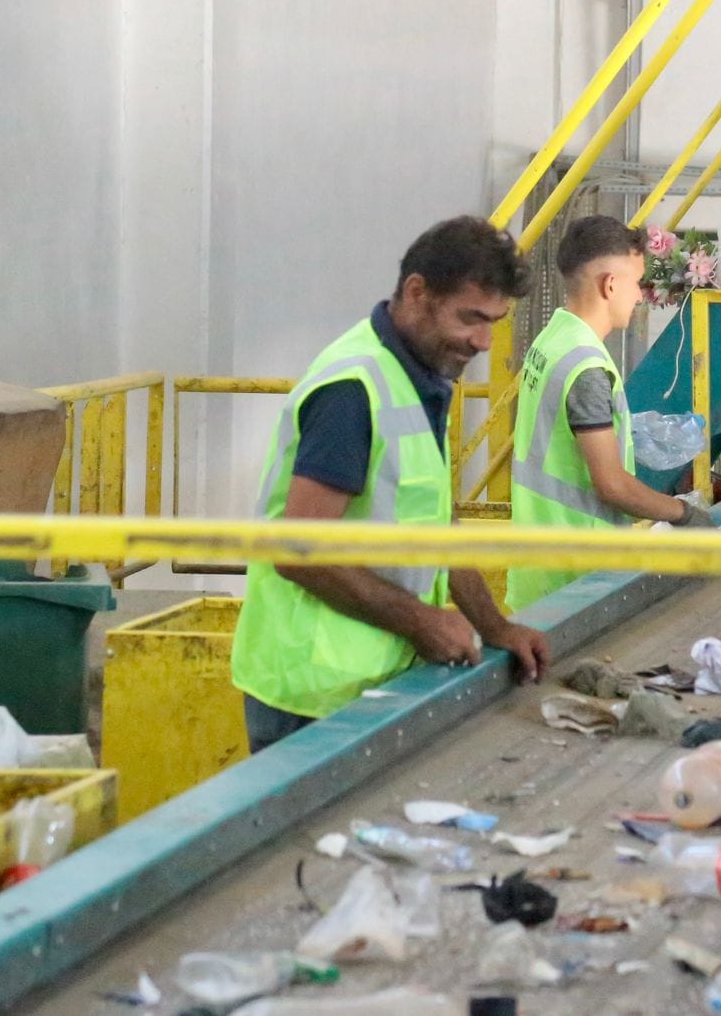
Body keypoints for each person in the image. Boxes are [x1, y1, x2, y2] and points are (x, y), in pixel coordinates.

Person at [231, 217, 552, 753]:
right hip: (314, 696)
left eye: (494, 322)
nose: (482, 341)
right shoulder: (353, 389)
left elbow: (434, 526)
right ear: (416, 292)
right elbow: (296, 550)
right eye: (470, 318)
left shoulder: (418, 376)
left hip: (373, 682)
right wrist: (421, 620)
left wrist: (494, 626)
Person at [507, 216, 710, 609]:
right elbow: (611, 486)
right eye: (636, 282)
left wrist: (624, 433)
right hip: (573, 576)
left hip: (535, 567)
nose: (639, 295)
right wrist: (685, 515)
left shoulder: (553, 339)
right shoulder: (588, 368)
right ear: (610, 285)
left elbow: (559, 433)